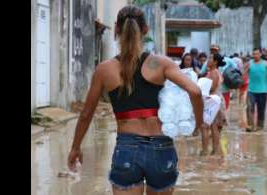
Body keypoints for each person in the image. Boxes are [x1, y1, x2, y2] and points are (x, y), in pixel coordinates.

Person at [67, 6, 204, 195]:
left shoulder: (104, 70)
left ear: (116, 29)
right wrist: (197, 125)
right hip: (161, 145)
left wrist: (75, 147)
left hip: (127, 146)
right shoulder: (161, 63)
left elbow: (86, 114)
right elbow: (195, 92)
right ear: (145, 30)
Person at [243, 48, 267, 132]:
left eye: (257, 54)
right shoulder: (250, 63)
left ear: (260, 54)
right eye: (254, 54)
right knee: (249, 107)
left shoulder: (265, 63)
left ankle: (260, 125)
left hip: (263, 91)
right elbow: (243, 73)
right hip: (251, 90)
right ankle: (250, 125)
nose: (255, 56)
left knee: (261, 109)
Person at [200, 53, 227, 156]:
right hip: (214, 101)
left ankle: (206, 151)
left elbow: (211, 88)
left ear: (215, 62)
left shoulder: (214, 73)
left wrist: (200, 87)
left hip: (213, 102)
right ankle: (213, 151)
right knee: (213, 127)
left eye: (210, 58)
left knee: (208, 126)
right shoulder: (212, 72)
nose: (208, 60)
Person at [199, 45, 237, 110]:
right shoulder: (209, 65)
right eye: (212, 50)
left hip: (222, 92)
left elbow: (236, 69)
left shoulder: (227, 61)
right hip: (216, 96)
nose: (214, 52)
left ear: (219, 51)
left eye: (215, 50)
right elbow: (201, 73)